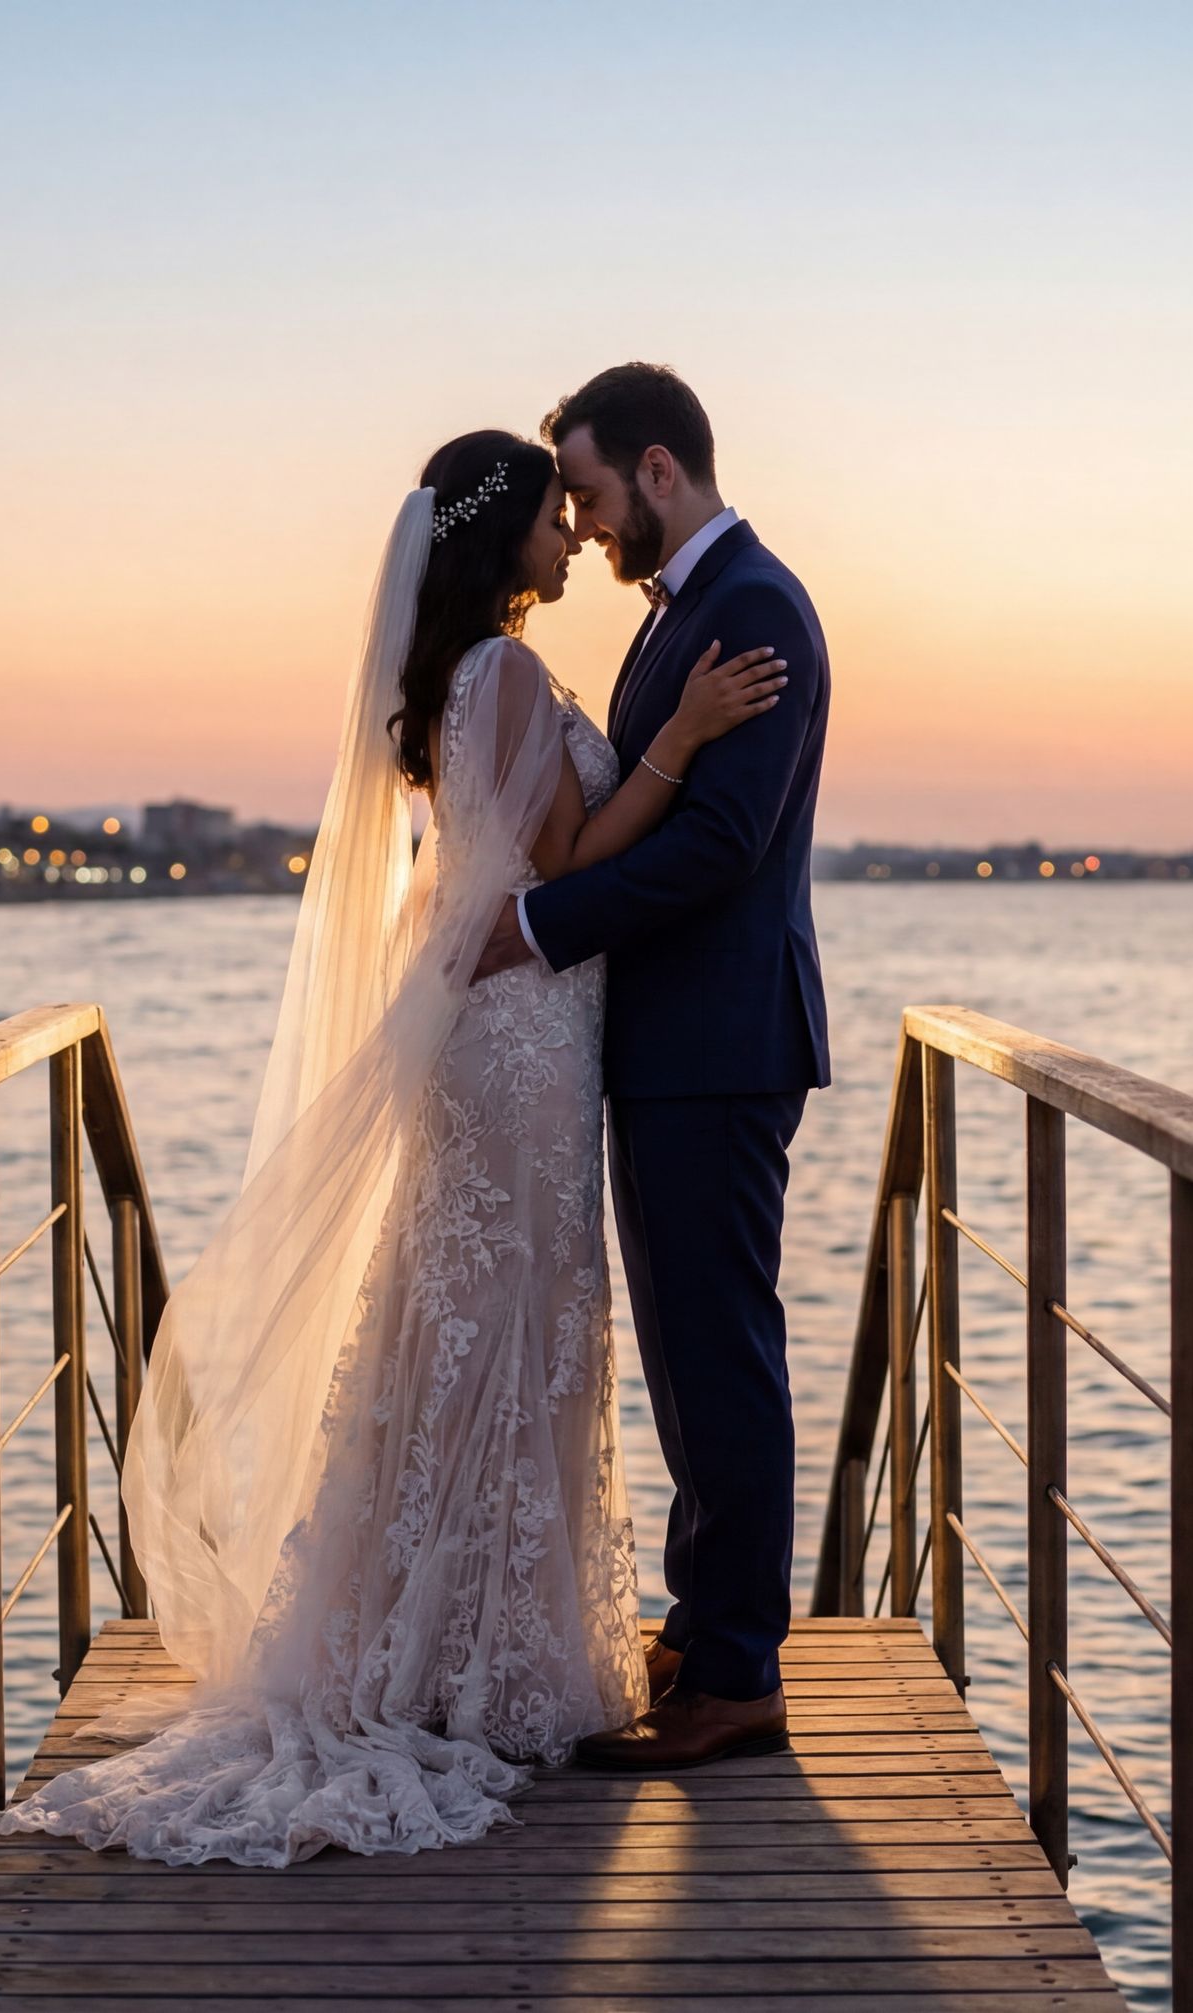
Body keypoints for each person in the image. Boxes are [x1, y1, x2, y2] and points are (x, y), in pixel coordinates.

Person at [0, 426, 785, 1867]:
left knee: (479, 1321)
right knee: (509, 1322)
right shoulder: (511, 672)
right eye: (555, 517)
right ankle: (470, 1650)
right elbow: (572, 855)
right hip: (525, 1032)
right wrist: (677, 742)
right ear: (502, 543)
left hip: (505, 1028)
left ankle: (455, 1634)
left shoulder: (458, 681)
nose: (570, 540)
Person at [474, 363, 833, 1770]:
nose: (584, 520)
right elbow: (641, 793)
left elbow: (714, 847)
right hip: (668, 1042)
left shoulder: (751, 608)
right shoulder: (683, 617)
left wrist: (532, 928)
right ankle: (706, 1625)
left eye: (593, 491)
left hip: (721, 1043)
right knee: (687, 1357)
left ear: (663, 471)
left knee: (724, 1355)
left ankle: (740, 1669)